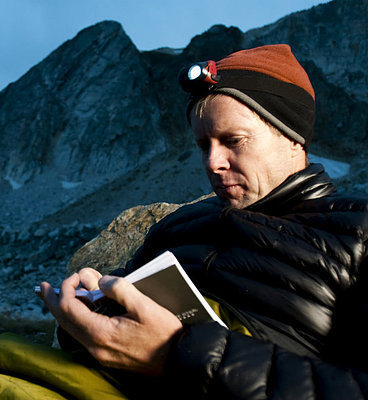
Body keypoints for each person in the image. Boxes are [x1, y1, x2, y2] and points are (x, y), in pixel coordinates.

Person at [40, 44, 368, 398]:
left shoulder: (358, 232)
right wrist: (96, 304)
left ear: (292, 137)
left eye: (233, 141)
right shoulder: (180, 224)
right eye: (203, 145)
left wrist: (176, 353)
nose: (213, 163)